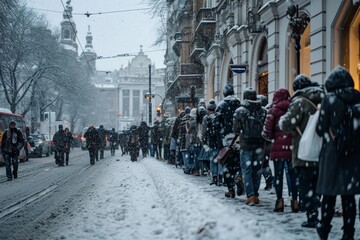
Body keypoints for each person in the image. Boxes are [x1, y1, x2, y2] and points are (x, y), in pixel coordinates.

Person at [315, 66, 360, 240]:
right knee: (348, 197)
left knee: (329, 194)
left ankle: (324, 228)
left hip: (333, 153)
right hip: (354, 154)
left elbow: (320, 129)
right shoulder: (357, 98)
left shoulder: (329, 99)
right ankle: (348, 232)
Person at [279, 74, 324, 228]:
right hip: (322, 148)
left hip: (304, 150)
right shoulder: (324, 98)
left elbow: (285, 124)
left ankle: (312, 215)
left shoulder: (299, 102)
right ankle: (317, 203)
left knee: (305, 183)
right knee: (318, 180)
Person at [262, 89, 299, 212]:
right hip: (292, 147)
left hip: (278, 148)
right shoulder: (294, 109)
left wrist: (275, 137)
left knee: (278, 175)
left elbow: (266, 132)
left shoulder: (273, 111)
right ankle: (295, 201)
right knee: (293, 175)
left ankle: (279, 202)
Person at [233, 87, 267, 205]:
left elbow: (236, 129)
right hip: (259, 144)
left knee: (246, 170)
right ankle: (256, 194)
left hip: (245, 144)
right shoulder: (263, 111)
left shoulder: (240, 111)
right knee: (257, 170)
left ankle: (250, 195)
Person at [214, 84, 242, 195]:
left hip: (226, 139)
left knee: (227, 164)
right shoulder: (239, 104)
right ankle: (239, 175)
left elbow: (216, 125)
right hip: (239, 138)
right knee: (239, 161)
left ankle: (230, 189)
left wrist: (219, 141)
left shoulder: (221, 106)